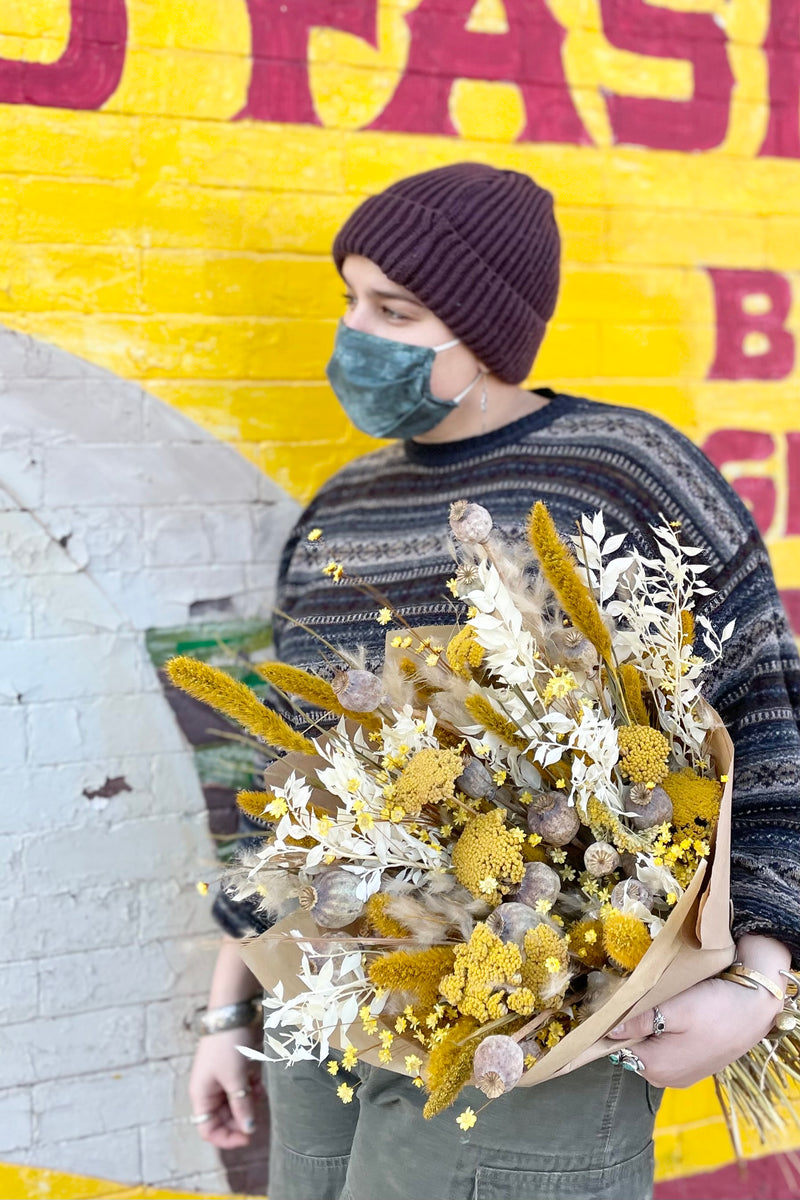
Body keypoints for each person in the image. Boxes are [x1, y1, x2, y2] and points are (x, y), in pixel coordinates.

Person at [188, 164, 800, 1200]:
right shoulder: (340, 507)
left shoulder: (621, 473)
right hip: (323, 1005)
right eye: (350, 300)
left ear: (485, 328)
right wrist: (227, 1009)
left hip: (535, 1014)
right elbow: (281, 786)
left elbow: (766, 724)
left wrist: (757, 975)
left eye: (395, 309)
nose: (357, 333)